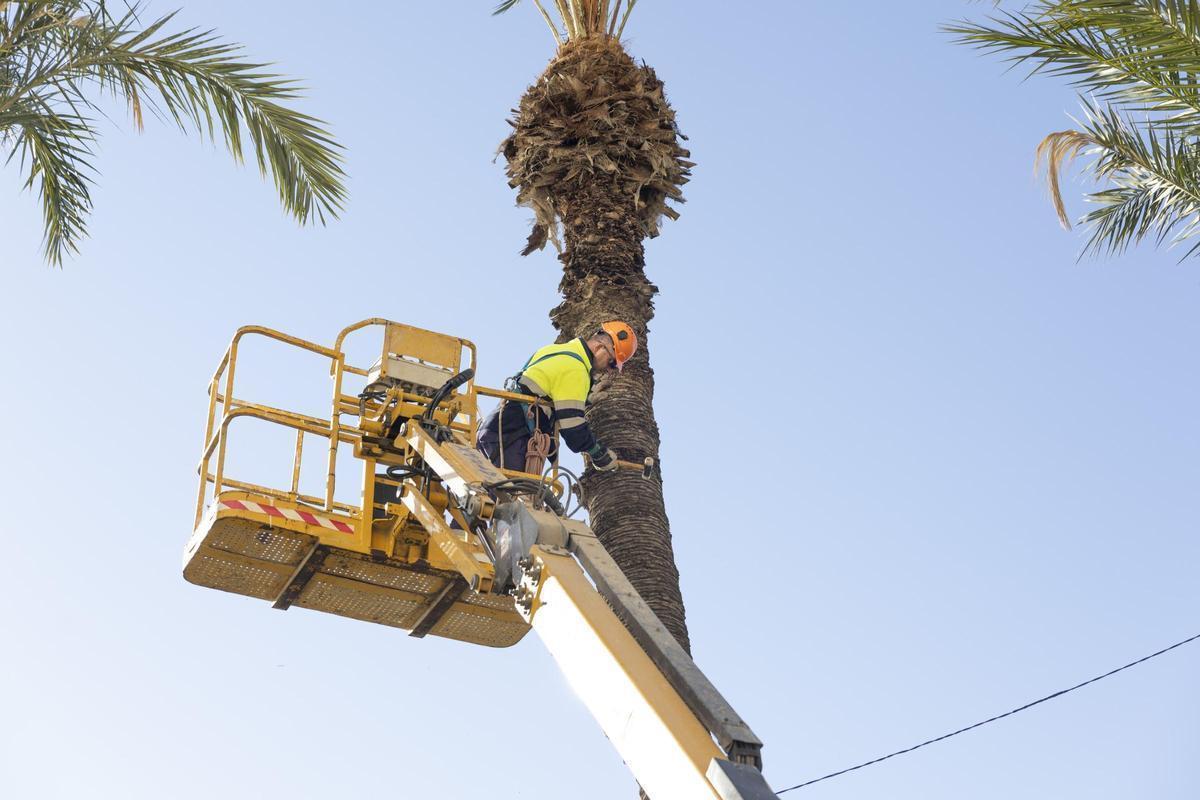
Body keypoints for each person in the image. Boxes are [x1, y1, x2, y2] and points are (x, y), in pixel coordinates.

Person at [477, 321, 637, 474]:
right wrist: (597, 452)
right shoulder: (576, 369)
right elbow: (573, 428)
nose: (610, 370)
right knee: (510, 499)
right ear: (600, 347)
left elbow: (542, 392)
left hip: (493, 429)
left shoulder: (553, 350)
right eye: (612, 362)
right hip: (511, 439)